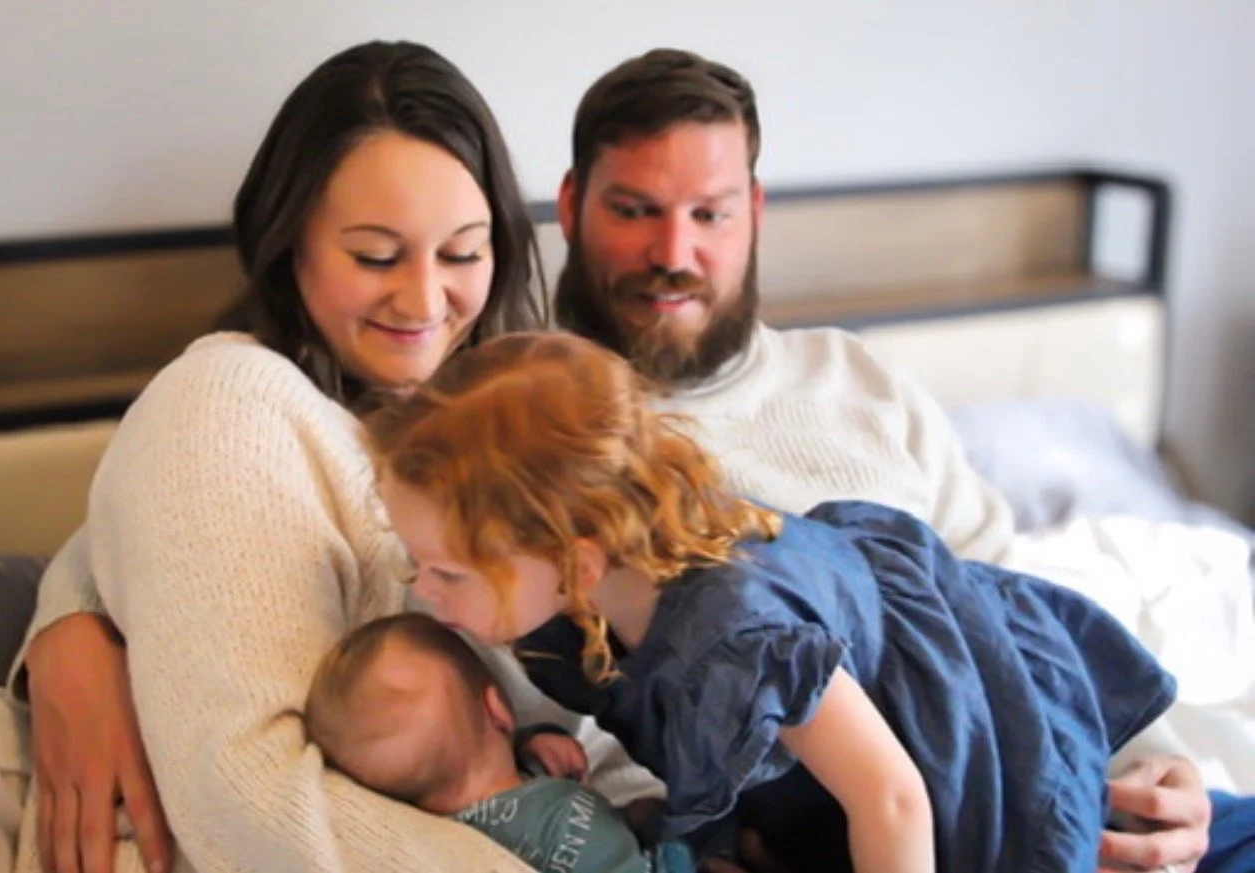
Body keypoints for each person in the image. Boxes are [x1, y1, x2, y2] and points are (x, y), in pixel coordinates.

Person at [552, 47, 1224, 873]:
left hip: (1059, 785)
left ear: (755, 211)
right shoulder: (538, 439)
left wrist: (1155, 768)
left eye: (711, 214)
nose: (675, 251)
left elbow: (1008, 599)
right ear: (573, 204)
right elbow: (585, 736)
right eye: (635, 209)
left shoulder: (855, 376)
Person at [7, 40, 659, 873]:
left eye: (462, 252)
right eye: (376, 256)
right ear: (291, 244)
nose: (426, 299)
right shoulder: (230, 402)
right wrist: (71, 609)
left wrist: (71, 598)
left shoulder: (503, 417)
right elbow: (253, 804)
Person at [367, 329, 1179, 872]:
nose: (419, 587)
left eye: (447, 571)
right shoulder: (578, 609)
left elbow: (891, 796)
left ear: (575, 560)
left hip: (950, 760)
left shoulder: (737, 633)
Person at [303, 611, 696, 873]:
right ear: (497, 708)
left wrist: (535, 741)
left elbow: (522, 778)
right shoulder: (541, 827)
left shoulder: (451, 823)